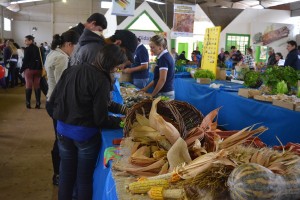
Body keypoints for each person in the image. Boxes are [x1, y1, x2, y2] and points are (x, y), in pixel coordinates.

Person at [49, 44, 127, 200]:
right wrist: (121, 122)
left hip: (63, 131)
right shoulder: (101, 80)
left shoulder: (72, 70)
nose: (117, 71)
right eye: (117, 68)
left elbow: (54, 100)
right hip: (84, 135)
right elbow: (101, 119)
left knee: (66, 174)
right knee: (83, 178)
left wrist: (124, 110)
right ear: (110, 64)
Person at [44, 30, 80, 186]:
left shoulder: (53, 53)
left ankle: (58, 172)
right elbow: (62, 85)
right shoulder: (62, 58)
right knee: (60, 139)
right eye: (76, 47)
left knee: (59, 137)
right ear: (69, 44)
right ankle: (58, 173)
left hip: (52, 100)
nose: (76, 51)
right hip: (57, 102)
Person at [140, 35, 175, 99]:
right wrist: (146, 88)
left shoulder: (164, 58)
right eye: (150, 47)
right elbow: (157, 79)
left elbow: (162, 79)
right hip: (164, 92)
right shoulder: (162, 57)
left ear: (160, 47)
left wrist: (152, 94)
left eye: (153, 47)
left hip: (164, 93)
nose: (151, 50)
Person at [20, 35, 43, 109]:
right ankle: (38, 103)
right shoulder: (39, 48)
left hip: (29, 70)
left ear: (30, 41)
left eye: (26, 40)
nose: (25, 41)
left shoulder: (27, 49)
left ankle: (28, 103)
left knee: (28, 85)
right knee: (37, 85)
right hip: (38, 70)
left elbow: (25, 61)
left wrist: (21, 70)